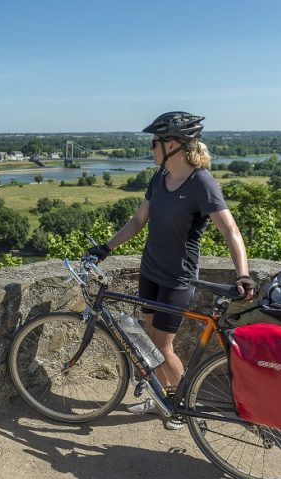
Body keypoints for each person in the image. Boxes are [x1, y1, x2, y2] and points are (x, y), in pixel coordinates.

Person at [86, 111, 255, 429]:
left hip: (177, 279)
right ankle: (162, 397)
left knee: (162, 346)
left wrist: (242, 273)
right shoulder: (159, 179)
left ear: (173, 144)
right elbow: (138, 221)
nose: (151, 149)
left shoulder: (201, 183)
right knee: (151, 342)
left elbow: (231, 230)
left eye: (155, 143)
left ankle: (184, 406)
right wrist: (106, 248)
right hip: (150, 272)